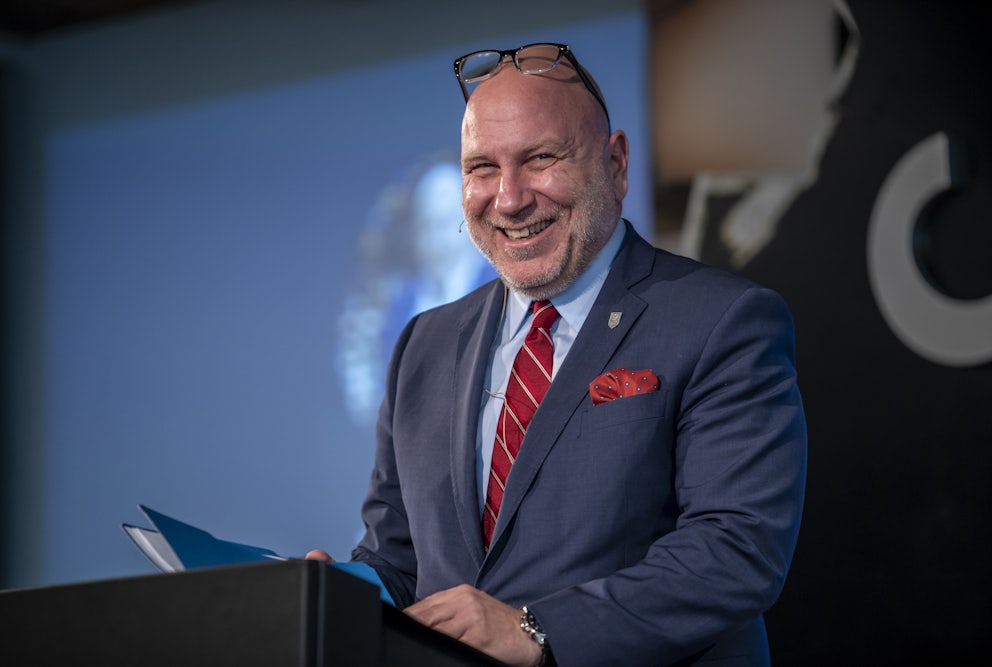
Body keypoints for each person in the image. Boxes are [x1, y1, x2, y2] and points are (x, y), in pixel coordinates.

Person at [309, 42, 807, 667]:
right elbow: (400, 559)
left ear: (617, 164)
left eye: (540, 158)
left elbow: (737, 550)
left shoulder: (722, 320)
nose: (509, 198)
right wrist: (341, 594)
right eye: (482, 168)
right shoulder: (423, 344)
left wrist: (536, 630)